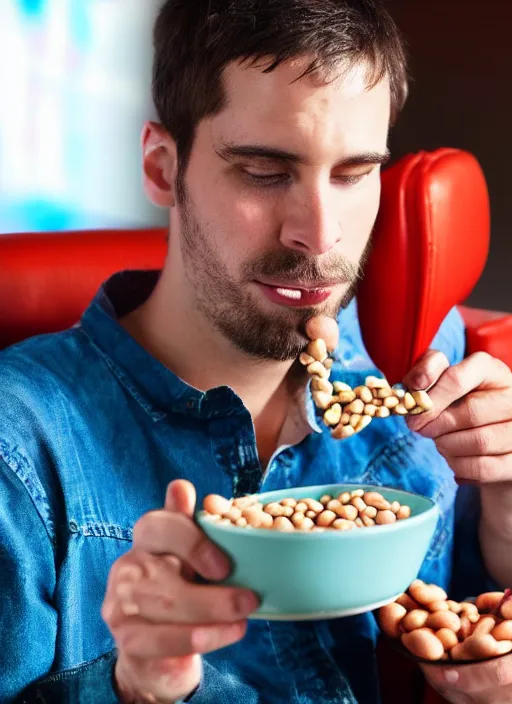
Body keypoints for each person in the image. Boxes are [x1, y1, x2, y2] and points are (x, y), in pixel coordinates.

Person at [2, 1, 512, 702]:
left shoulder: (431, 358)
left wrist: (505, 512)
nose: (320, 236)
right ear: (161, 167)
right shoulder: (19, 448)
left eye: (354, 173)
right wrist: (136, 688)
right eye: (266, 172)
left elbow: (478, 620)